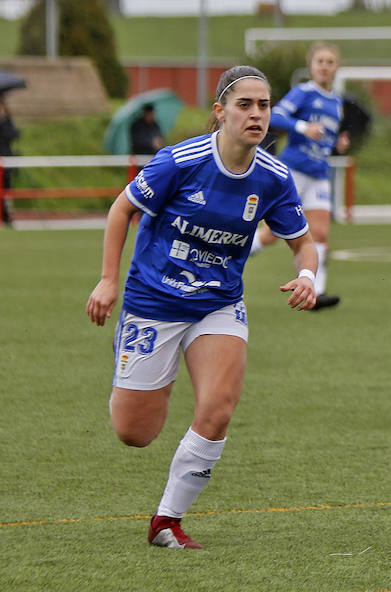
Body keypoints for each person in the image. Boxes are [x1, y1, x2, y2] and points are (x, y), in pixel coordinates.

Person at [86, 65, 319, 549]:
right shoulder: (180, 161)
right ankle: (142, 373)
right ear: (220, 112)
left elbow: (303, 243)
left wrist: (306, 276)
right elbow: (121, 209)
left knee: (217, 408)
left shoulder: (274, 178)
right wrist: (109, 280)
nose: (256, 114)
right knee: (135, 432)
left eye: (264, 105)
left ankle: (167, 520)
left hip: (217, 304)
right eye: (245, 105)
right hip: (152, 300)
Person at [249, 42, 350, 310]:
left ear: (336, 67)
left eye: (330, 62)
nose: (325, 67)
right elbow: (277, 116)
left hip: (319, 173)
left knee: (320, 232)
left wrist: (336, 143)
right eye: (320, 62)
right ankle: (226, 260)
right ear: (311, 66)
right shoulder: (303, 92)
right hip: (294, 170)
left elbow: (323, 136)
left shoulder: (337, 102)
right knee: (273, 233)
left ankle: (316, 292)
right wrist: (303, 127)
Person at [0, 97, 19, 224]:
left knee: (6, 189)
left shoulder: (7, 121)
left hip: (6, 159)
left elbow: (14, 134)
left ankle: (7, 215)